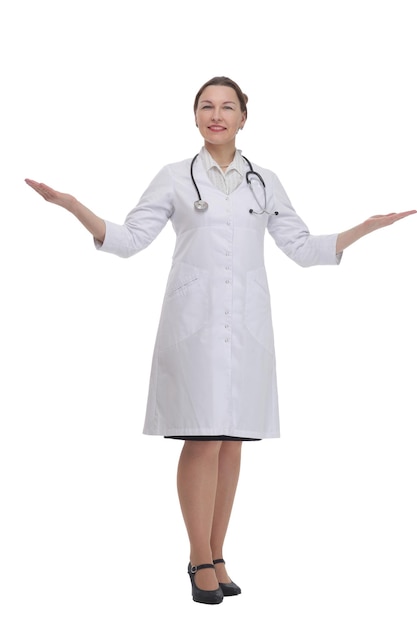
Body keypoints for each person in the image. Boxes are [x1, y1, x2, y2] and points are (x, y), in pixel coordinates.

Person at [25, 76, 416, 605]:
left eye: (227, 106)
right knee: (202, 437)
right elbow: (129, 240)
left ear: (243, 117)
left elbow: (301, 248)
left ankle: (218, 552)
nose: (217, 114)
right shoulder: (173, 178)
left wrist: (364, 229)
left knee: (232, 442)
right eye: (206, 106)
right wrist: (73, 206)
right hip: (194, 327)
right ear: (194, 117)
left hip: (247, 326)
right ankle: (196, 557)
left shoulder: (264, 182)